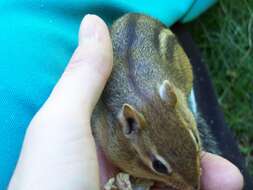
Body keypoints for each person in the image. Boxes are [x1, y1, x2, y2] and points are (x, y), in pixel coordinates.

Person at [7, 15, 244, 190]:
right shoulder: (115, 126)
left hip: (156, 61)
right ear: (129, 124)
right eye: (159, 167)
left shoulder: (171, 95)